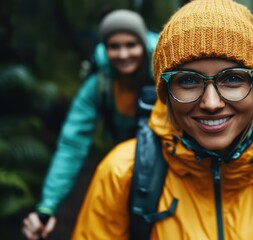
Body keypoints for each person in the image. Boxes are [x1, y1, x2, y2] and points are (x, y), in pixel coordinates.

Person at [72, 0, 253, 239]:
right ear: (165, 92)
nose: (211, 103)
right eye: (187, 80)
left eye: (233, 78)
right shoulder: (122, 172)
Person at [22, 9, 157, 239]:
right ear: (105, 48)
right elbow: (72, 144)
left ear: (143, 44)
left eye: (131, 44)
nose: (123, 54)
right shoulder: (99, 84)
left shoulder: (163, 74)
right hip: (122, 167)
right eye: (114, 46)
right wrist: (48, 205)